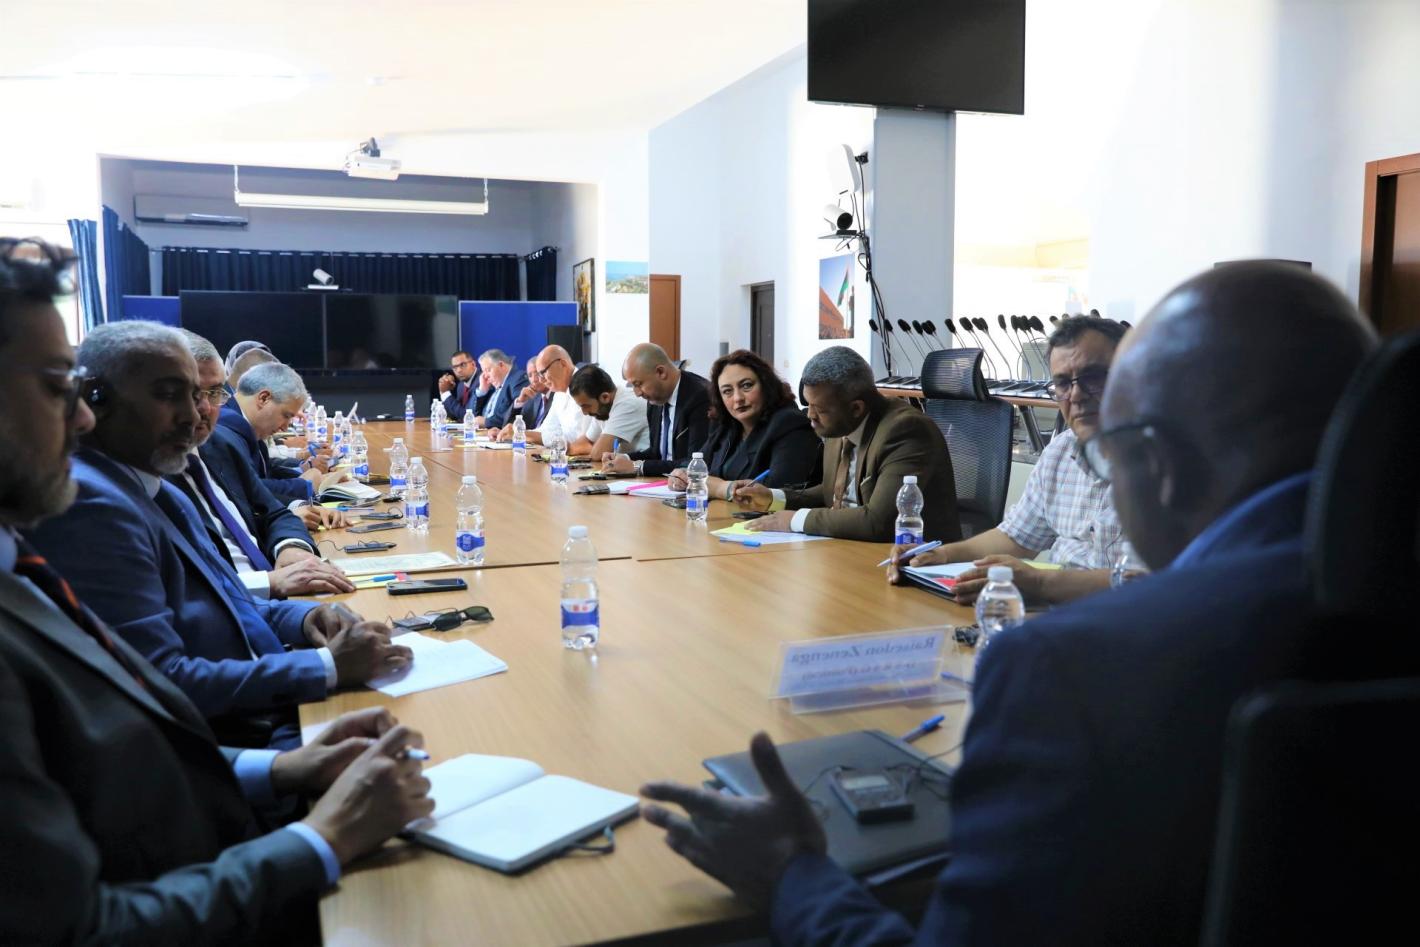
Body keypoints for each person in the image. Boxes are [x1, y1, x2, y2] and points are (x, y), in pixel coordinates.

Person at [640, 262, 1410, 945]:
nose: (1078, 407)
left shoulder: (1064, 672)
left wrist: (793, 875)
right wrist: (943, 553)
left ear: (1155, 461)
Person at [0, 238, 432, 942]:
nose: (80, 418)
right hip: (211, 867)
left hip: (235, 780)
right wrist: (321, 840)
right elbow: (77, 929)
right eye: (58, 387)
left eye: (202, 394)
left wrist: (287, 763)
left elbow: (130, 736)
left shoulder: (130, 495)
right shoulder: (93, 504)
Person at [25, 321, 411, 747]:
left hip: (268, 691)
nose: (195, 416)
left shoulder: (158, 487)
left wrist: (303, 619)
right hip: (242, 731)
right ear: (95, 400)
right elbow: (157, 680)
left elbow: (225, 601)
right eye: (169, 395)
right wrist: (326, 667)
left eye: (201, 395)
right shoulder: (91, 505)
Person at [888, 315, 1127, 605]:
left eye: (1092, 378)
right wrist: (941, 555)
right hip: (1060, 615)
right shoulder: (1061, 452)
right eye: (1063, 383)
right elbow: (1016, 538)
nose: (1075, 395)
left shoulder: (1168, 462)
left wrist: (1039, 583)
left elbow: (1155, 583)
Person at [173, 332, 354, 599]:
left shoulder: (217, 445)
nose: (205, 408)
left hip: (276, 598)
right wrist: (270, 583)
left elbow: (273, 512)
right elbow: (187, 590)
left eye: (214, 393)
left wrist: (291, 547)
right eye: (192, 393)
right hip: (244, 605)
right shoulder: (146, 484)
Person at [730, 346, 960, 542]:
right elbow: (832, 492)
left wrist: (794, 520)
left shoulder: (906, 430)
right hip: (845, 548)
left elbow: (879, 521)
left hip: (911, 559)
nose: (810, 415)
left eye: (819, 409)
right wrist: (775, 498)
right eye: (808, 404)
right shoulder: (839, 424)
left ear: (856, 408)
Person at [662, 349, 820, 498]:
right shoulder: (727, 425)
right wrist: (681, 473)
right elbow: (697, 462)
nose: (738, 398)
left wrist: (720, 488)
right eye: (727, 391)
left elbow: (779, 490)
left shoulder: (789, 423)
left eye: (746, 386)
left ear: (766, 385)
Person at [220, 360, 350, 525]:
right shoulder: (226, 429)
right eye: (286, 415)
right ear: (264, 398)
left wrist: (312, 476)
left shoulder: (244, 424)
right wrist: (305, 486)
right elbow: (249, 489)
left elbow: (265, 470)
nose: (285, 427)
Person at [603, 342, 710, 476]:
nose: (637, 393)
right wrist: (625, 458)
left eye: (638, 384)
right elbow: (657, 453)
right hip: (662, 483)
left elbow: (696, 462)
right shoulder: (655, 399)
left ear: (661, 372)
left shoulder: (700, 396)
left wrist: (637, 467)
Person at [493, 344, 586, 446]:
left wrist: (522, 434)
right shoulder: (559, 392)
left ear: (562, 364)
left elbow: (575, 439)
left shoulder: (584, 385)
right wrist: (513, 434)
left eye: (543, 372)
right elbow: (546, 429)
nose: (541, 380)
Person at [567, 363, 651, 458]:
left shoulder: (627, 404)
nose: (584, 412)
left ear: (605, 397)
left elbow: (598, 454)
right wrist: (567, 448)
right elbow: (587, 441)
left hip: (643, 465)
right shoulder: (602, 409)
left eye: (586, 406)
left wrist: (577, 449)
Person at [472, 348, 529, 429]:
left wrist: (486, 422)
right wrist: (482, 391)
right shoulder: (491, 386)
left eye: (488, 370)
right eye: (483, 372)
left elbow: (516, 413)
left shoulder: (518, 379)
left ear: (501, 365)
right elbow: (471, 414)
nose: (485, 376)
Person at [438, 349, 482, 421]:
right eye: (455, 367)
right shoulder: (461, 385)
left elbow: (467, 416)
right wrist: (445, 389)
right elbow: (454, 415)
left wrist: (445, 393)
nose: (459, 370)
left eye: (463, 365)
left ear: (473, 364)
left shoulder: (481, 381)